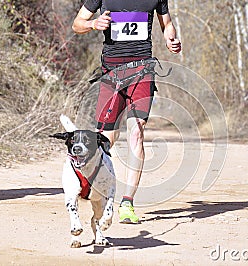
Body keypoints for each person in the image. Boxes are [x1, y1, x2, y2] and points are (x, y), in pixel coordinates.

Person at [72, 0, 181, 224]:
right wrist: (93, 24)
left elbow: (167, 23)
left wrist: (172, 38)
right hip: (112, 72)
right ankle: (87, 180)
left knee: (136, 132)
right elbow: (77, 24)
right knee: (105, 140)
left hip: (143, 70)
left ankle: (127, 202)